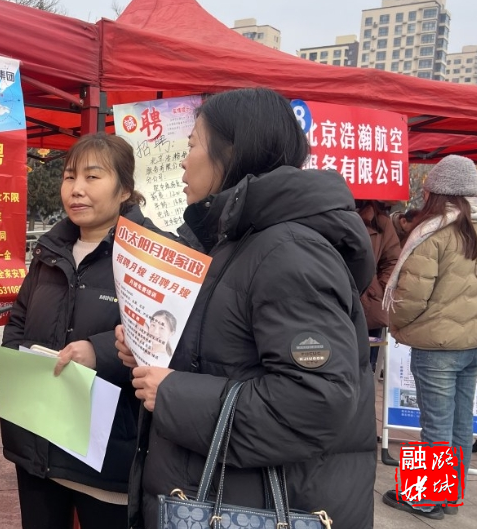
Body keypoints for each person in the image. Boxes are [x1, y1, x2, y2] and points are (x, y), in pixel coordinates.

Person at [117, 88, 377, 529]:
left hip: (261, 502)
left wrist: (174, 394)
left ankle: (433, 494)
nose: (183, 162)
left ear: (232, 151)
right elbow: (233, 356)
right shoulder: (238, 241)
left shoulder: (288, 251)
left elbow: (316, 400)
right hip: (222, 489)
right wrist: (154, 348)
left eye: (192, 145)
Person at [1, 133, 159, 529]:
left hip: (106, 452)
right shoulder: (50, 250)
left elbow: (165, 336)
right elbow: (19, 321)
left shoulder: (149, 253)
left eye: (93, 177)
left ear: (125, 189)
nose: (76, 189)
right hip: (39, 441)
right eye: (70, 177)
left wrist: (99, 351)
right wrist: (19, 362)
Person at [381, 155, 477, 519]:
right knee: (460, 424)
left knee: (435, 425)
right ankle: (450, 496)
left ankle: (425, 499)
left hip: (438, 347)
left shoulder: (433, 232)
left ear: (438, 192)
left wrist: (396, 324)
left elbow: (411, 297)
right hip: (473, 344)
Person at [356, 200, 401, 372]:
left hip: (368, 303)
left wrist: (379, 289)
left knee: (365, 367)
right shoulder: (324, 215)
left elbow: (392, 261)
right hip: (330, 299)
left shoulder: (380, 222)